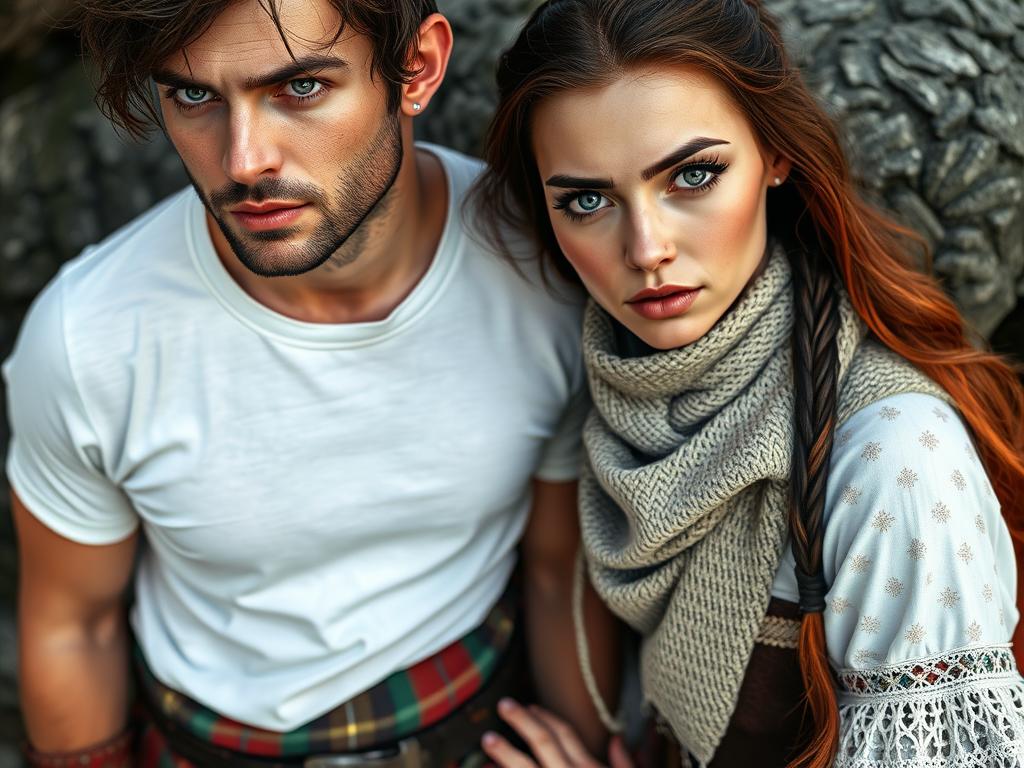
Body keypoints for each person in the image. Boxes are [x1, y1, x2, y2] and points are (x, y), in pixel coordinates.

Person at [4, 1, 619, 765]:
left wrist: (591, 748)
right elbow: (74, 624)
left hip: (477, 725)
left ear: (417, 68)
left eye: (299, 89)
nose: (244, 161)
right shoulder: (89, 336)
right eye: (194, 96)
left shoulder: (542, 272)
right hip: (209, 742)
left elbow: (560, 570)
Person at [470, 0, 1024, 766]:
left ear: (775, 155)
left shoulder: (895, 459)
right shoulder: (605, 390)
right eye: (587, 200)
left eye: (693, 175)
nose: (646, 247)